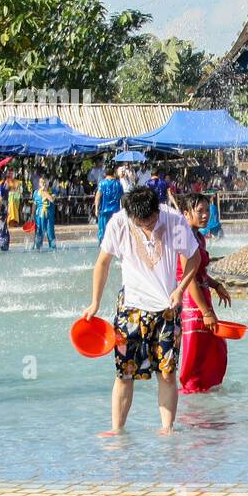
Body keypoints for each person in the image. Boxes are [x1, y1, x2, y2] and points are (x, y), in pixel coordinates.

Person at [83, 186, 202, 435]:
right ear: (131, 216)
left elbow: (194, 257)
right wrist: (95, 302)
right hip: (131, 310)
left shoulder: (174, 221)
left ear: (157, 210)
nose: (148, 225)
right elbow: (102, 264)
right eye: (142, 221)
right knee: (124, 373)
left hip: (167, 309)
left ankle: (167, 428)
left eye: (151, 219)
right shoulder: (118, 224)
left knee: (167, 373)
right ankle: (117, 429)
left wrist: (180, 289)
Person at [177, 193, 232, 394]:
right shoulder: (184, 238)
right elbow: (188, 278)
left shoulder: (198, 236)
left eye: (207, 210)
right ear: (186, 214)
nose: (205, 215)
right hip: (192, 301)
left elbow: (199, 273)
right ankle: (190, 398)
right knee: (195, 352)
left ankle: (204, 393)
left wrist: (215, 285)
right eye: (199, 211)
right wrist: (205, 312)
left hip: (201, 296)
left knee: (215, 346)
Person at [94, 167, 124, 245]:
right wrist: (124, 210)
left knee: (103, 232)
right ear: (113, 173)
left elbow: (98, 196)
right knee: (116, 232)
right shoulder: (118, 183)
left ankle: (102, 249)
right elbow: (122, 197)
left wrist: (96, 209)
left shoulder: (102, 183)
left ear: (105, 174)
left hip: (104, 212)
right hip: (115, 212)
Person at [33, 176, 57, 250]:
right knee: (39, 231)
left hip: (49, 214)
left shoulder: (52, 191)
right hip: (39, 215)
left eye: (44, 182)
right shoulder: (36, 192)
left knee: (50, 232)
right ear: (39, 183)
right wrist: (31, 215)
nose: (43, 184)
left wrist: (45, 191)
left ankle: (52, 248)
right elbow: (34, 204)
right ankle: (37, 247)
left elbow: (51, 199)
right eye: (41, 182)